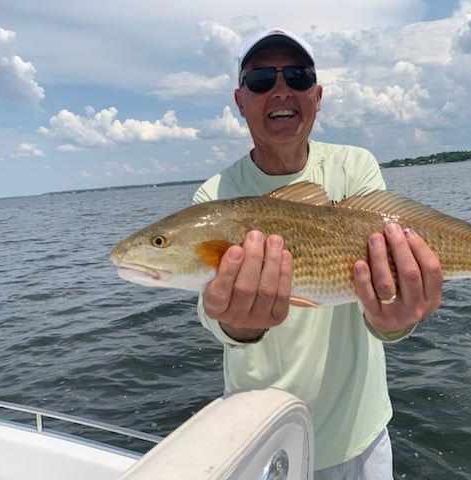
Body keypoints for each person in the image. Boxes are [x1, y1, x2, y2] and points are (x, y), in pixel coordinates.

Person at [193, 27, 443, 479]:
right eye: (261, 80)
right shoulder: (214, 196)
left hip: (360, 433)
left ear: (318, 94)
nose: (281, 89)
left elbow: (383, 301)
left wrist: (397, 321)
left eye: (298, 75)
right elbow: (213, 317)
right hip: (261, 437)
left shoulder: (355, 167)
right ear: (239, 100)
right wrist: (236, 324)